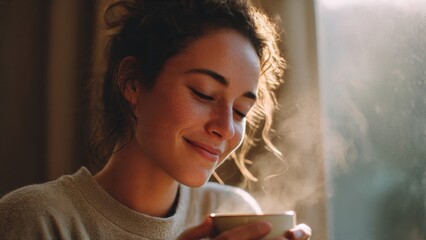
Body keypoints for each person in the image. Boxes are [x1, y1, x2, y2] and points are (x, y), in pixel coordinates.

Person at [0, 0, 312, 239]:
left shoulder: (235, 215)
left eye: (241, 111)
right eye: (204, 93)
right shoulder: (36, 220)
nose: (226, 127)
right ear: (133, 83)